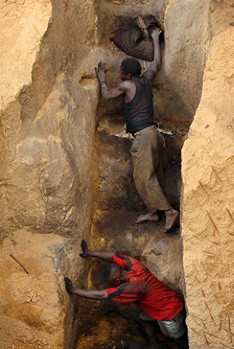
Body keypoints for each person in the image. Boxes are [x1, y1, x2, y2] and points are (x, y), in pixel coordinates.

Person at [95, 26, 179, 232]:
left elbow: (106, 95)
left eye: (122, 71)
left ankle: (169, 212)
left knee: (142, 177)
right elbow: (156, 63)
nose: (120, 73)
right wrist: (155, 39)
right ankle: (153, 211)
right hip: (155, 135)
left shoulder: (127, 85)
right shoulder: (145, 79)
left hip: (143, 138)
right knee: (155, 176)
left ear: (126, 75)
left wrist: (102, 78)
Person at [64, 241, 188, 349]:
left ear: (117, 279)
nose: (111, 285)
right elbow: (113, 256)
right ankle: (153, 343)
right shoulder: (134, 265)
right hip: (165, 302)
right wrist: (89, 253)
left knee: (177, 337)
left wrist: (73, 290)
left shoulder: (131, 288)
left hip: (170, 313)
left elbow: (100, 295)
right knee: (142, 319)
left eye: (112, 283)